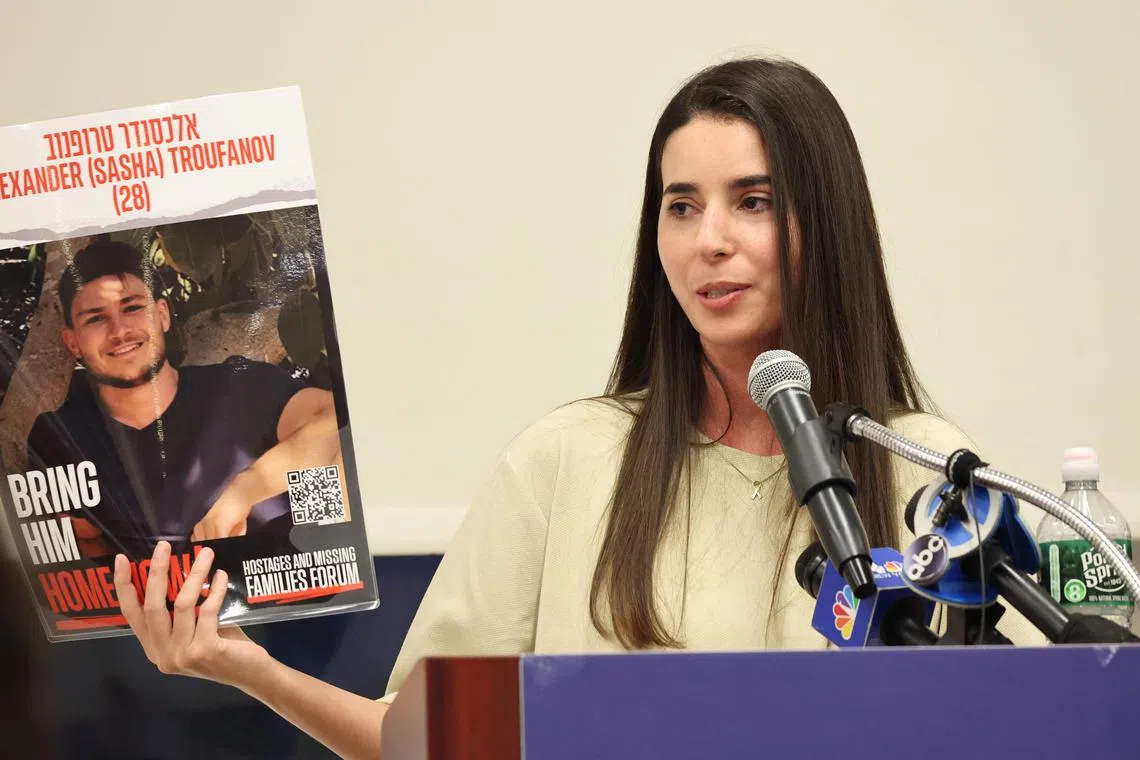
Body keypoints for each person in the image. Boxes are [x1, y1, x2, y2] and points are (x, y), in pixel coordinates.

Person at [111, 57, 1045, 759]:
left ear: (824, 221)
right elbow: (418, 740)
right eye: (681, 207)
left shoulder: (930, 469)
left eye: (751, 201)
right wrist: (247, 668)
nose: (709, 240)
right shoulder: (571, 458)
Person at [24, 238, 344, 560]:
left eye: (132, 308)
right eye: (95, 319)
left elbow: (336, 419)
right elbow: (76, 551)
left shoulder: (241, 384)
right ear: (73, 342)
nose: (119, 331)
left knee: (342, 472)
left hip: (296, 585)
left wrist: (245, 490)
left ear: (162, 315)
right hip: (166, 603)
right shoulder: (61, 435)